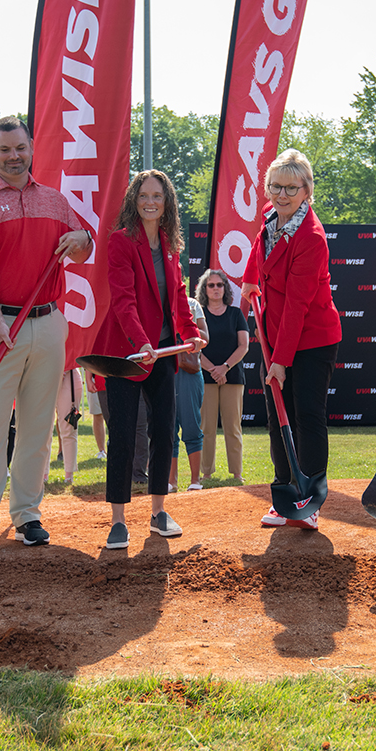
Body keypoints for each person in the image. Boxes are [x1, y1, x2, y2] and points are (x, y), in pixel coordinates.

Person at [0, 115, 93, 556]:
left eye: (20, 148)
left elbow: (84, 246)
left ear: (32, 148)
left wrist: (81, 237)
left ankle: (28, 513)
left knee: (37, 427)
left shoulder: (54, 199)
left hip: (48, 322)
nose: (14, 157)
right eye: (4, 150)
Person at [94, 170, 204, 548]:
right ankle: (119, 521)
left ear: (167, 201)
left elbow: (177, 299)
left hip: (163, 354)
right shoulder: (121, 242)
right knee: (123, 435)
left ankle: (158, 512)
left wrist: (190, 335)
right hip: (127, 353)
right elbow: (123, 301)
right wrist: (142, 344)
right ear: (133, 199)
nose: (150, 201)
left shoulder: (172, 246)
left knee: (163, 431)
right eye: (144, 195)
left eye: (157, 195)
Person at [241, 149, 342, 530]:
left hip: (312, 339)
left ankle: (309, 499)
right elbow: (259, 256)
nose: (282, 195)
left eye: (291, 188)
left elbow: (299, 305)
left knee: (305, 416)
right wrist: (251, 281)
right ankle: (284, 495)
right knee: (275, 417)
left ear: (306, 191)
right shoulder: (270, 222)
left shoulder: (311, 237)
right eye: (276, 186)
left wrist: (279, 362)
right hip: (276, 335)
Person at [197, 269, 249, 483]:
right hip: (206, 378)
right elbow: (194, 348)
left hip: (232, 377)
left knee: (233, 427)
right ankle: (206, 472)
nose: (216, 289)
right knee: (206, 428)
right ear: (205, 289)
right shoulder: (199, 315)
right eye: (211, 285)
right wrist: (213, 370)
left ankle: (236, 473)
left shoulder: (236, 314)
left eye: (219, 285)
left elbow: (244, 345)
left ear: (226, 288)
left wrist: (224, 368)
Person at [169, 286, 209, 492]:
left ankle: (195, 480)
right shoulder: (158, 301)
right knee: (168, 426)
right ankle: (171, 482)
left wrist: (183, 327)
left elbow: (205, 337)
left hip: (189, 371)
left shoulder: (193, 304)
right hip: (166, 369)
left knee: (191, 424)